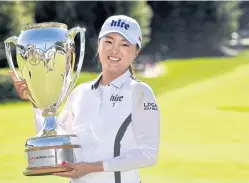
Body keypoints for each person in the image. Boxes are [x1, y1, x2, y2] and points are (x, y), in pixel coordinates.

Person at [10, 15, 160, 183]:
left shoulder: (139, 92)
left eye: (124, 44)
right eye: (108, 42)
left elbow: (148, 154)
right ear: (99, 44)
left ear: (136, 51)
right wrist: (37, 102)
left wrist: (91, 168)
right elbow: (54, 142)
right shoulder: (80, 93)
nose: (115, 50)